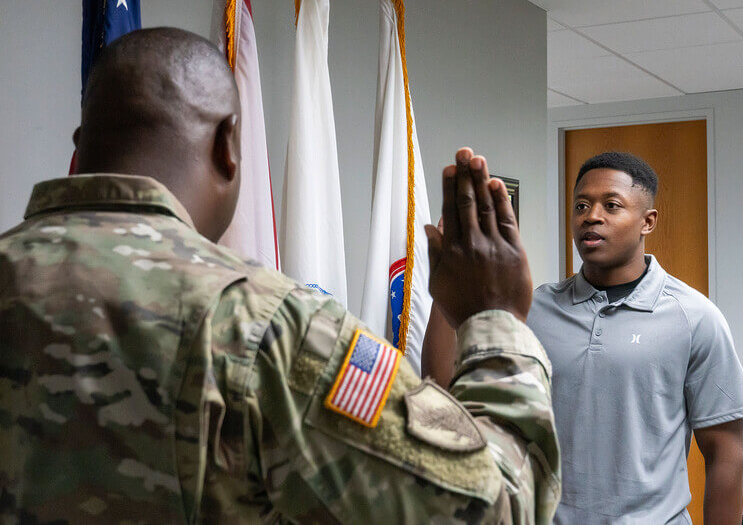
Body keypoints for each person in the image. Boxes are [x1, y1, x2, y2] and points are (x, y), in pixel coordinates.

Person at [0, 27, 559, 524]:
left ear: (79, 150)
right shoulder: (267, 326)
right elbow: (496, 507)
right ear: (228, 145)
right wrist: (495, 319)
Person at [423, 151, 743, 524]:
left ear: (648, 221)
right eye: (581, 205)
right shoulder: (532, 307)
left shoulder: (694, 318)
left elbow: (726, 454)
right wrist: (449, 286)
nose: (591, 216)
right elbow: (443, 391)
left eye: (611, 206)